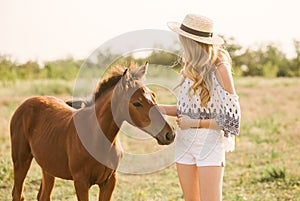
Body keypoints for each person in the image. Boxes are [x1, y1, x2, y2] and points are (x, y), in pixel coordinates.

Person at [159, 14, 241, 201]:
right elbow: (186, 111)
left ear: (191, 41)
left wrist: (194, 123)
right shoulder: (190, 67)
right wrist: (160, 108)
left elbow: (231, 121)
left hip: (209, 145)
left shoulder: (220, 68)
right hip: (184, 144)